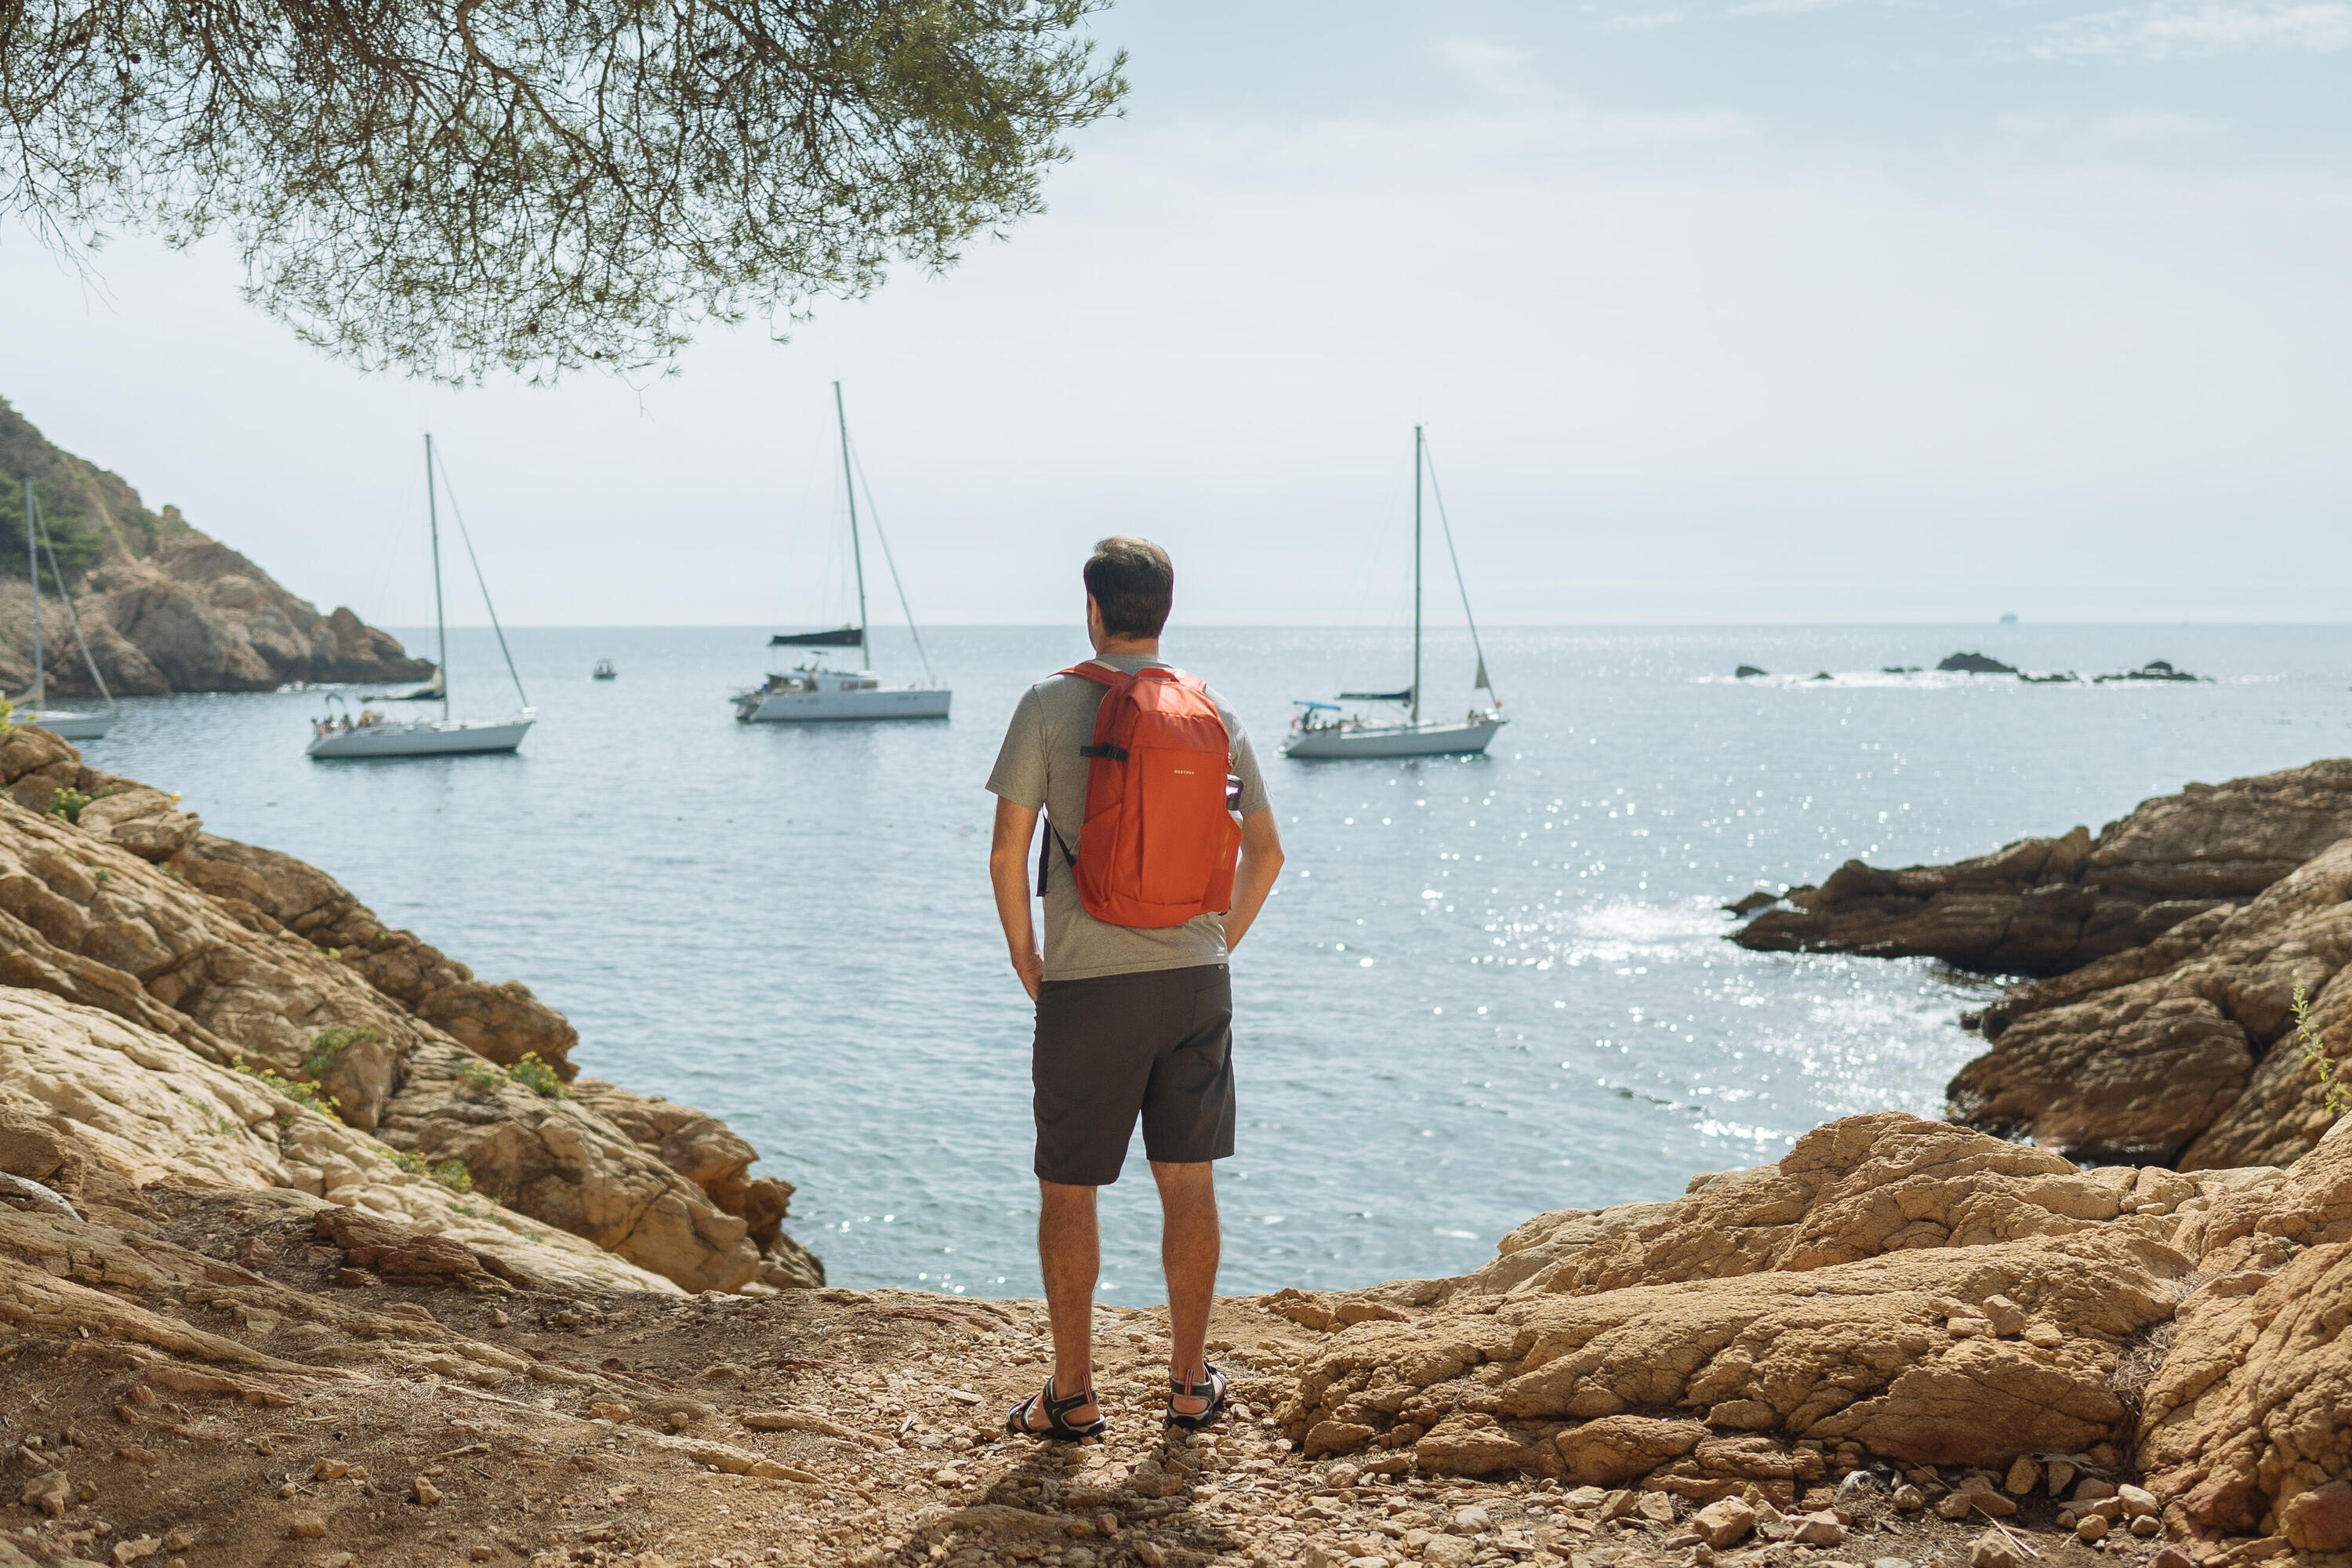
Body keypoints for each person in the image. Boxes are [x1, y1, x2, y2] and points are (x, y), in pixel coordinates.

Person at [985, 536, 1285, 1440]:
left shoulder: (1046, 703)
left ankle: (1072, 1395)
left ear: (1092, 608)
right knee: (1186, 1179)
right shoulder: (1213, 708)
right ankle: (1190, 1383)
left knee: (1069, 1188)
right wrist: (1214, 942)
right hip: (1196, 978)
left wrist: (1026, 957)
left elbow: (1006, 851)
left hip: (1090, 984)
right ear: (1163, 611)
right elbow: (1267, 854)